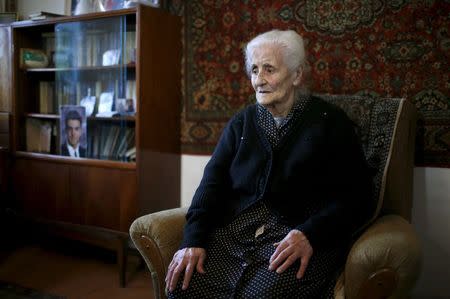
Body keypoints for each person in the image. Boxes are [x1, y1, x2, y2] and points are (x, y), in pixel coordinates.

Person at [166, 29, 374, 298]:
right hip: (237, 236)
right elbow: (211, 185)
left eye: (269, 69)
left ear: (296, 75)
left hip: (297, 237)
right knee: (184, 286)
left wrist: (311, 233)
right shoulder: (241, 123)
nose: (258, 80)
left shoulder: (330, 123)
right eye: (254, 70)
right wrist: (192, 240)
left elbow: (358, 196)